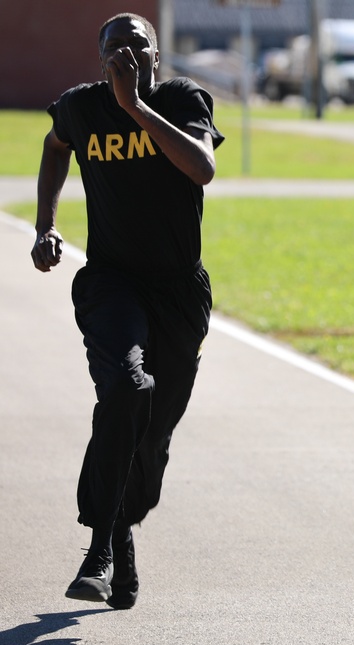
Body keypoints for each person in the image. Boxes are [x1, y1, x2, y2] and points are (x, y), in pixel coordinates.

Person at [31, 12, 223, 609]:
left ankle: (121, 530)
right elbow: (54, 144)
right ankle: (100, 545)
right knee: (126, 386)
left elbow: (202, 168)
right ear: (101, 58)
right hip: (112, 284)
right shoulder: (82, 108)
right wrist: (46, 226)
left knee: (154, 436)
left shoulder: (182, 99)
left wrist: (137, 106)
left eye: (138, 47)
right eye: (115, 48)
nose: (127, 55)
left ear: (156, 58)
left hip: (177, 293)